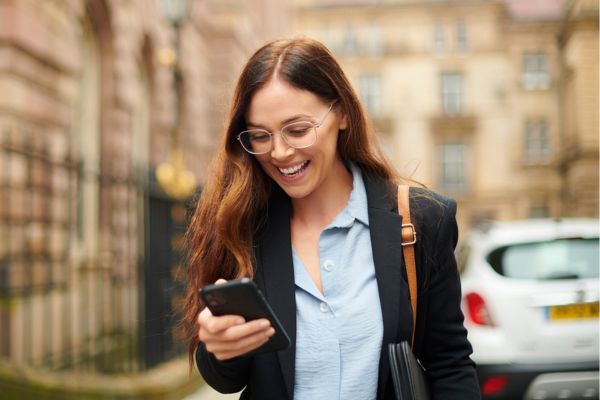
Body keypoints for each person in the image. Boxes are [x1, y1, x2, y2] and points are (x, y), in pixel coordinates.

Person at [183, 37, 481, 399]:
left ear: (341, 113)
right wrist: (218, 347)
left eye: (297, 130)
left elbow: (450, 364)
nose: (279, 152)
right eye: (260, 135)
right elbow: (227, 380)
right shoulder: (240, 223)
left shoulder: (421, 220)